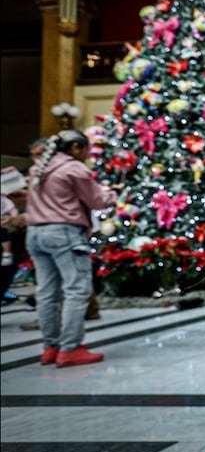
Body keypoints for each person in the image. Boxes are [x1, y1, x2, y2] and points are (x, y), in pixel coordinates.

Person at [24, 129, 118, 367]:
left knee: (47, 293)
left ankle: (51, 347)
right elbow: (97, 201)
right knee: (77, 290)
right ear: (75, 147)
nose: (86, 154)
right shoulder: (74, 168)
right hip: (64, 233)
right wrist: (113, 194)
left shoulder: (39, 168)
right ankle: (70, 348)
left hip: (35, 233)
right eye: (85, 149)